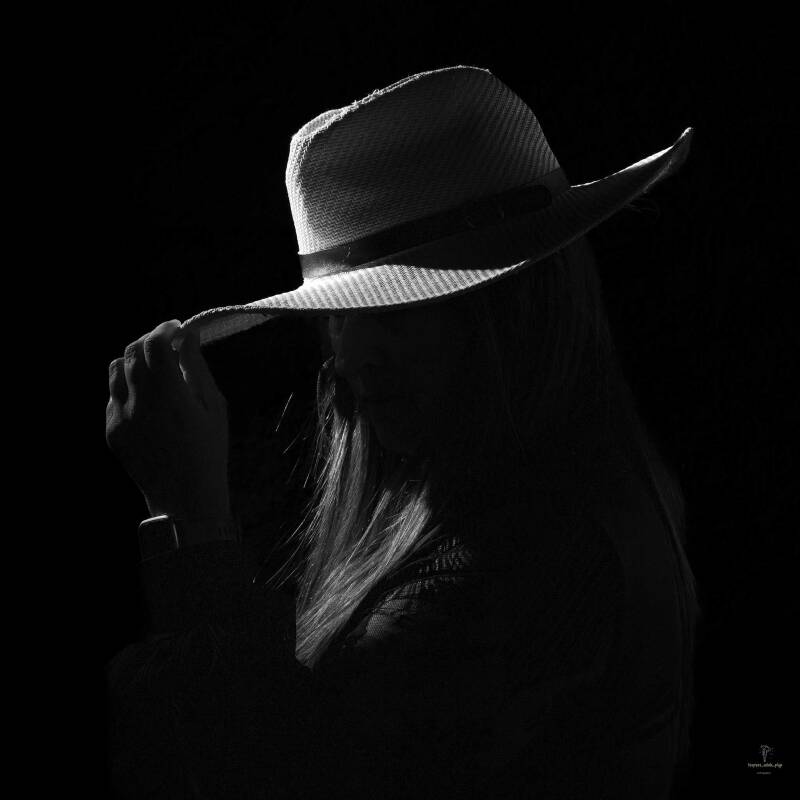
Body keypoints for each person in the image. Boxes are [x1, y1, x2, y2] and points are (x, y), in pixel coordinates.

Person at [106, 65, 701, 798]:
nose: (348, 355)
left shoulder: (515, 566)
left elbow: (270, 776)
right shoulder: (557, 495)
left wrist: (194, 525)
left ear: (514, 306)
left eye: (393, 308)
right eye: (338, 312)